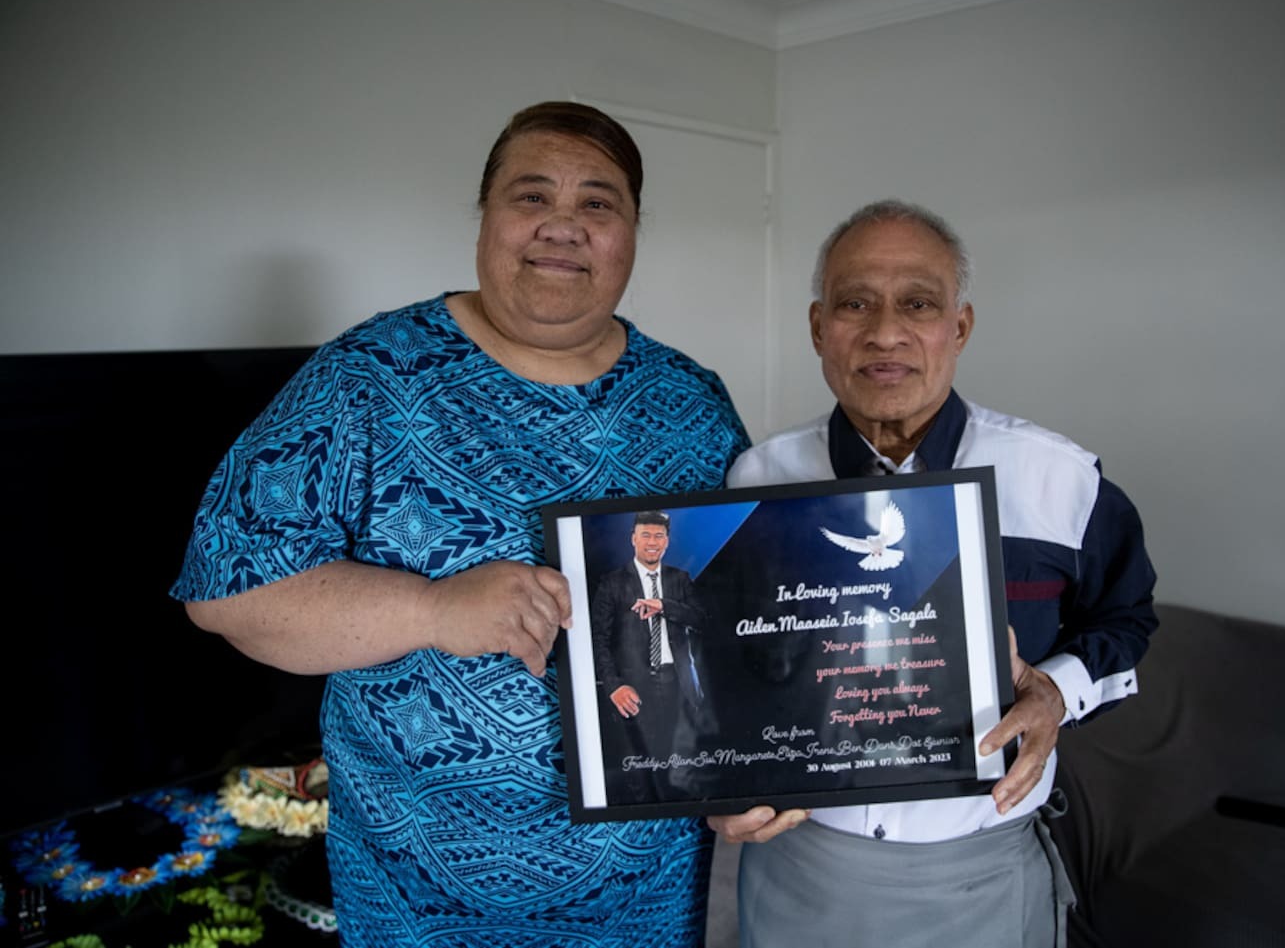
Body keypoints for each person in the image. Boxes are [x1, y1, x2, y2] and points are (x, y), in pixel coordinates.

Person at [170, 101, 750, 947]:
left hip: (644, 896)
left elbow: (738, 615)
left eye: (598, 202)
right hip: (419, 901)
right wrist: (433, 608)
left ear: (631, 232)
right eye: (531, 195)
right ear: (485, 215)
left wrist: (758, 766)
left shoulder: (692, 403)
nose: (563, 225)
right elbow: (227, 589)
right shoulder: (368, 379)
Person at [709, 199, 1158, 948]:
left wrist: (1056, 693)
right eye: (856, 303)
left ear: (960, 326)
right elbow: (724, 663)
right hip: (797, 869)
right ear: (818, 327)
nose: (885, 333)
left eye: (917, 304)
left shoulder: (1058, 480)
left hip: (982, 876)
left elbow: (1127, 618)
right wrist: (715, 777)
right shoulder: (756, 481)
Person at [590, 510, 710, 804]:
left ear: (667, 541)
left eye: (659, 536)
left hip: (679, 685)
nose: (652, 542)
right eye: (646, 535)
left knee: (681, 768)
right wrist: (614, 685)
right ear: (633, 539)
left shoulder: (679, 579)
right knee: (640, 772)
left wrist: (664, 606)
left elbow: (702, 620)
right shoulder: (612, 583)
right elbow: (597, 640)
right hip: (634, 688)